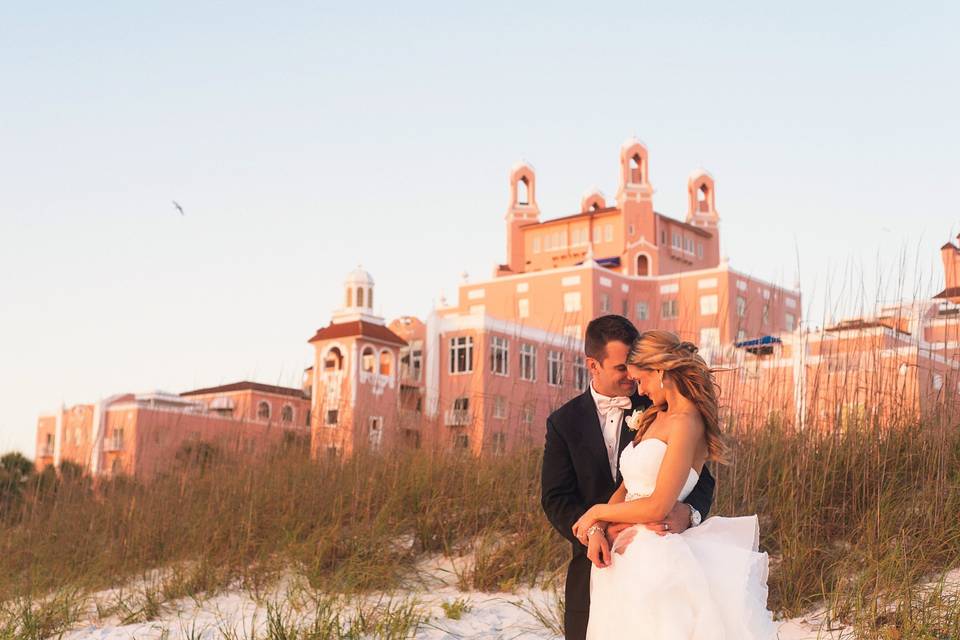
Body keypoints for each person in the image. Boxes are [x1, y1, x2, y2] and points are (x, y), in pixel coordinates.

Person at [571, 330, 776, 640]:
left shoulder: (688, 423)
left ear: (662, 372)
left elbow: (659, 506)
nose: (640, 389)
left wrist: (594, 511)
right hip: (624, 557)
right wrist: (598, 527)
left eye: (642, 379)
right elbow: (627, 488)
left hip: (659, 560)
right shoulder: (655, 416)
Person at [541, 316, 716, 640]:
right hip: (599, 562)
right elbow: (556, 499)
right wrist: (595, 529)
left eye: (635, 370)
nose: (632, 380)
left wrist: (688, 513)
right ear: (593, 365)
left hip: (659, 555)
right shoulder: (563, 422)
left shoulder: (658, 407)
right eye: (622, 368)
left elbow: (702, 480)